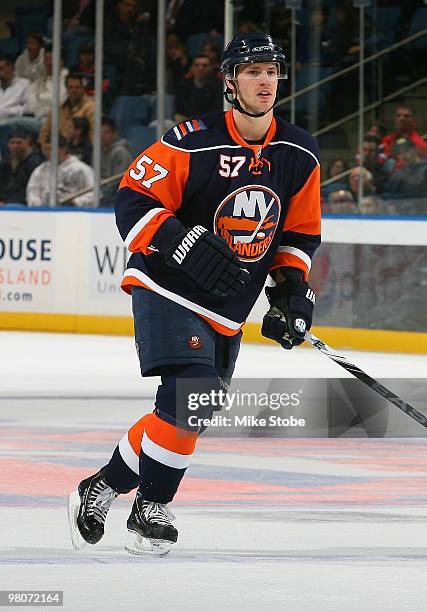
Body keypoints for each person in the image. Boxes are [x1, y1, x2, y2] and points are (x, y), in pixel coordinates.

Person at [68, 33, 321, 557]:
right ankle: (152, 507)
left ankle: (104, 486)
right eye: (252, 71)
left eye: (271, 71)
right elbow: (133, 199)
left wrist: (291, 293)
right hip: (168, 286)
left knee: (188, 409)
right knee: (192, 395)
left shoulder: (299, 152)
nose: (265, 80)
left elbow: (296, 234)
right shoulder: (192, 139)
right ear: (229, 81)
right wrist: (181, 243)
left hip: (229, 304)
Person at [26, 135, 94, 207]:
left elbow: (94, 194)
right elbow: (32, 191)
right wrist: (38, 206)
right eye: (46, 149)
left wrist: (75, 202)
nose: (47, 152)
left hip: (72, 213)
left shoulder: (81, 169)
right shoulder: (40, 170)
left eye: (51, 149)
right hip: (45, 212)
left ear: (63, 149)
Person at [39, 73, 95, 149]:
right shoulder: (57, 109)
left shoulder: (91, 107)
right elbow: (45, 133)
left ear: (82, 88)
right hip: (56, 151)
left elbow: (94, 133)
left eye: (77, 87)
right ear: (66, 89)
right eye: (71, 87)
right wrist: (45, 149)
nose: (74, 90)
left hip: (80, 150)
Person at [25, 45, 69, 126]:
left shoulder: (69, 80)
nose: (49, 62)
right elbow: (29, 106)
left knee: (13, 124)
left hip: (57, 123)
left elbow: (60, 103)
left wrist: (40, 104)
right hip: (35, 120)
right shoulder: (38, 81)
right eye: (46, 59)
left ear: (62, 61)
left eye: (52, 59)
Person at [0, 129, 44, 205]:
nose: (15, 146)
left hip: (22, 203)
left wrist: (6, 202)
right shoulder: (6, 163)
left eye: (19, 142)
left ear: (28, 144)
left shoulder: (34, 162)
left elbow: (30, 190)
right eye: (12, 143)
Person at [174, 54, 223, 121]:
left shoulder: (219, 85)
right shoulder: (183, 86)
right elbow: (179, 112)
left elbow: (218, 109)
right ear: (191, 68)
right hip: (187, 123)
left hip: (211, 123)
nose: (200, 68)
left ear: (210, 68)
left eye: (204, 65)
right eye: (197, 65)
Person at [100, 116, 133, 206]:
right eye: (101, 132)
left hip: (117, 193)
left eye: (106, 132)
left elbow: (119, 181)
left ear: (114, 133)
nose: (103, 135)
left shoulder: (120, 151)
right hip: (105, 188)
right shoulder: (101, 149)